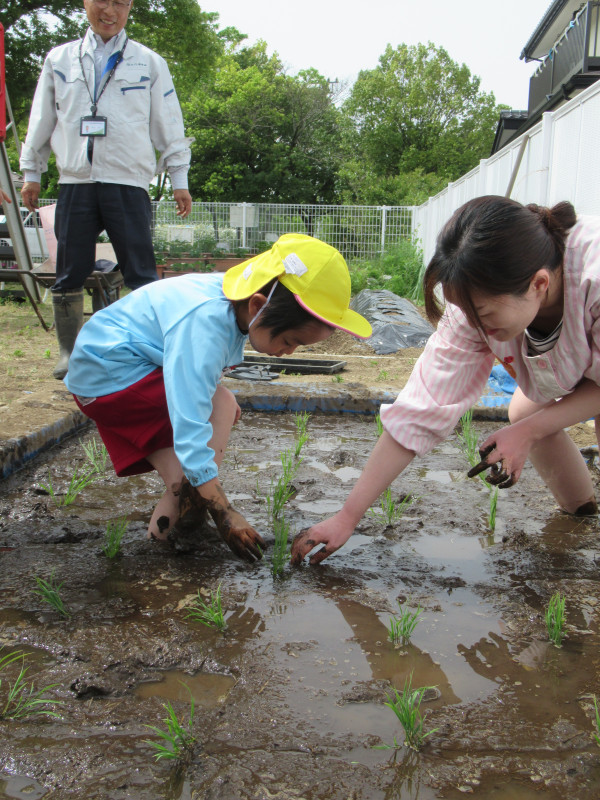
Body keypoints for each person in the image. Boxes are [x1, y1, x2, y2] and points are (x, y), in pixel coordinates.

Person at [291, 195, 600, 566]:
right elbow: (420, 410)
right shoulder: (474, 309)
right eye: (467, 314)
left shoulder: (593, 276)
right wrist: (347, 517)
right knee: (523, 413)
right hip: (574, 364)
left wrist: (530, 432)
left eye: (483, 315)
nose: (477, 327)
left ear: (539, 284)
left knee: (529, 424)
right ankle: (582, 513)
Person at [63, 233, 372, 561]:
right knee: (220, 407)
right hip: (110, 374)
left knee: (187, 474)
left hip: (105, 374)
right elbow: (190, 425)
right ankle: (190, 524)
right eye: (289, 339)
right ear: (257, 305)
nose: (287, 353)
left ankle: (170, 536)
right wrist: (225, 512)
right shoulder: (205, 324)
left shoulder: (231, 306)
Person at [19, 0, 193, 380]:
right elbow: (42, 116)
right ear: (86, 3)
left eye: (120, 2)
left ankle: (143, 351)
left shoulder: (148, 62)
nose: (109, 10)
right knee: (69, 271)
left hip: (128, 183)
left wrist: (179, 178)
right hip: (76, 182)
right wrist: (32, 171)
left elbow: (168, 120)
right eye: (102, 1)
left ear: (129, 6)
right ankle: (70, 355)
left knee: (141, 273)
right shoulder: (60, 59)